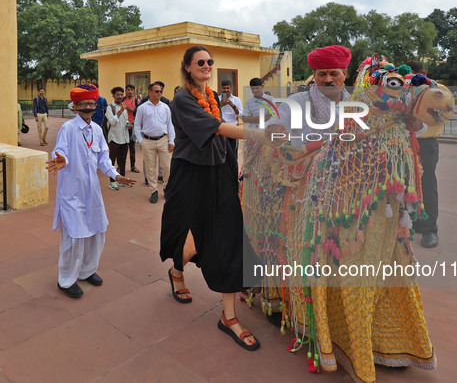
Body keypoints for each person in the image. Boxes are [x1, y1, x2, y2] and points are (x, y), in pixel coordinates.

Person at [244, 46, 438, 379]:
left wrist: (416, 110)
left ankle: (381, 339)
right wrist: (277, 134)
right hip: (310, 200)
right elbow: (277, 129)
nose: (329, 79)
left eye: (334, 73)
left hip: (365, 202)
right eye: (322, 74)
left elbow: (417, 127)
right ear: (314, 77)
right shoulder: (298, 104)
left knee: (382, 269)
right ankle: (332, 337)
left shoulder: (363, 101)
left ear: (344, 74)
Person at [160, 45, 280, 351]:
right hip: (191, 179)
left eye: (209, 61)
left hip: (219, 177)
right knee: (191, 243)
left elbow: (226, 133)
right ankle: (177, 271)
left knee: (230, 241)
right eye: (200, 62)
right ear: (187, 66)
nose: (206, 65)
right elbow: (214, 129)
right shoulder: (182, 100)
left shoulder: (212, 97)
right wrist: (258, 135)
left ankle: (228, 318)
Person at [46, 83, 136, 298]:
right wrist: (62, 159)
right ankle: (66, 280)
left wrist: (116, 175)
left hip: (92, 192)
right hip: (71, 192)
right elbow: (60, 150)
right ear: (75, 106)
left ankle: (87, 271)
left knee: (97, 232)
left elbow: (103, 158)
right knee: (74, 237)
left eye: (91, 103)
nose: (88, 107)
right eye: (83, 104)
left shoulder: (96, 130)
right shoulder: (68, 128)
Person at [407, 60, 441, 248]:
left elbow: (440, 116)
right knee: (408, 183)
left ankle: (430, 229)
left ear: (423, 73)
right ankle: (415, 222)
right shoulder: (403, 90)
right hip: (405, 142)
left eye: (413, 75)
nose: (410, 80)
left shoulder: (435, 91)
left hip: (426, 143)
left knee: (426, 184)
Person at [134, 83, 175, 203]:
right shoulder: (142, 108)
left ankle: (167, 188)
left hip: (163, 140)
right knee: (150, 168)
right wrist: (141, 141)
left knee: (167, 166)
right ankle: (153, 191)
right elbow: (137, 125)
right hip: (148, 141)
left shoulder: (165, 107)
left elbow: (170, 125)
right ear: (150, 92)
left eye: (161, 91)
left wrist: (172, 141)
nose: (159, 93)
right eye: (157, 91)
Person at [106, 86, 131, 191]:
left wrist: (129, 124)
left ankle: (122, 180)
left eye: (121, 94)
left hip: (124, 138)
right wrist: (120, 111)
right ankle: (112, 181)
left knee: (123, 160)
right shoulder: (109, 108)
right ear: (113, 96)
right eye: (118, 94)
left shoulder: (123, 107)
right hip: (114, 138)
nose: (120, 96)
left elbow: (124, 121)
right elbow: (112, 121)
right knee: (112, 161)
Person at [219, 79, 243, 157]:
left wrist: (233, 106)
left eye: (227, 88)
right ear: (221, 88)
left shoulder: (236, 100)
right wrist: (220, 105)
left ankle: (233, 169)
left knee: (232, 154)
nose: (226, 90)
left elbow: (241, 115)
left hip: (233, 129)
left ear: (231, 88)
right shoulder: (217, 99)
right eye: (224, 88)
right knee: (221, 154)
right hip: (221, 129)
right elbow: (212, 113)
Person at [123, 84, 140, 173]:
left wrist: (130, 109)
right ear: (126, 91)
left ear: (134, 91)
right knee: (123, 148)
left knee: (132, 148)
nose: (130, 91)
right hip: (123, 127)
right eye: (128, 90)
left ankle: (133, 166)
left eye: (131, 90)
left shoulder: (137, 101)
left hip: (132, 127)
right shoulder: (122, 100)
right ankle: (121, 166)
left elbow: (139, 113)